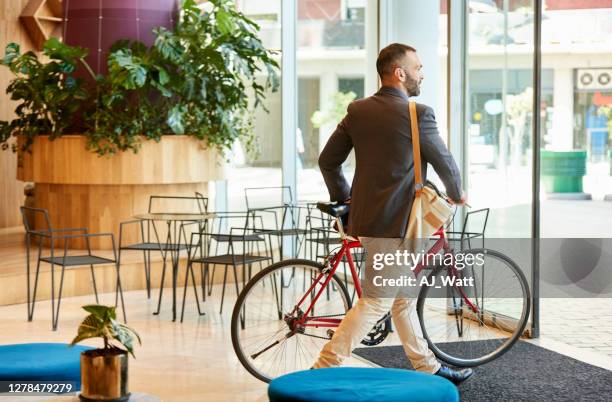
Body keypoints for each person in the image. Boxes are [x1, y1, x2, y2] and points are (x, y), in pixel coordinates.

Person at [313, 43, 472, 385]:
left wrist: (346, 200)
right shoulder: (418, 114)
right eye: (417, 67)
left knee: (402, 298)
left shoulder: (358, 110)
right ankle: (322, 368)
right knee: (375, 303)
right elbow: (445, 162)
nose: (421, 73)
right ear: (400, 73)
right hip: (397, 227)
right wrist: (457, 194)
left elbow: (328, 161)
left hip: (367, 221)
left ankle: (428, 366)